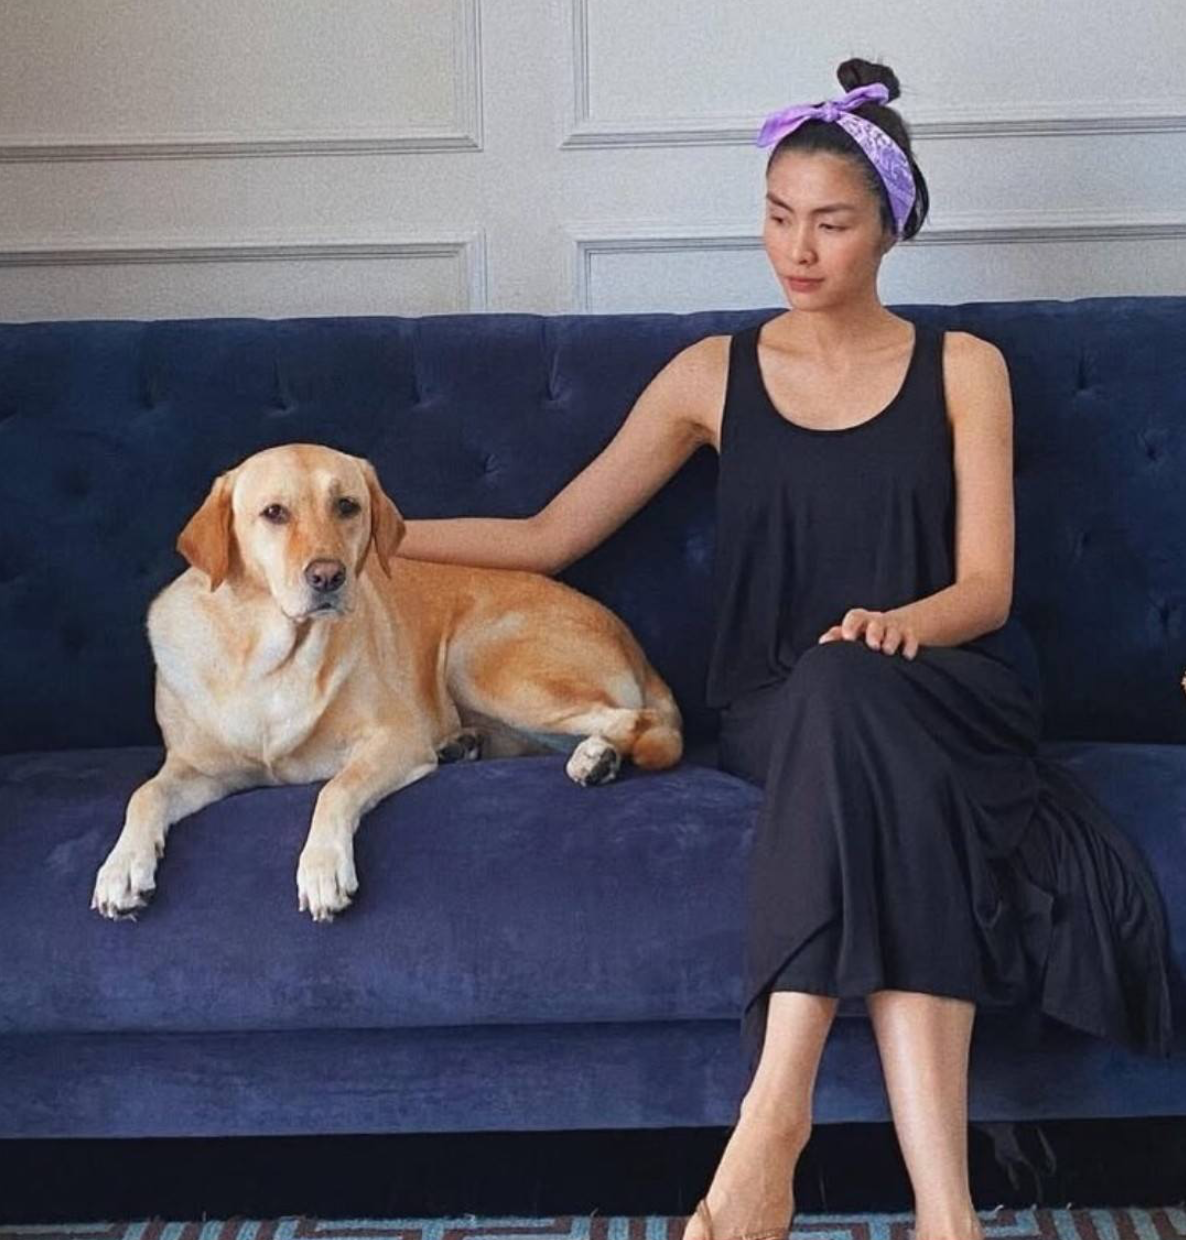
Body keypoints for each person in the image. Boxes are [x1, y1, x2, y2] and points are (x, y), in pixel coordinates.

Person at [396, 56, 1175, 1240]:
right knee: (850, 719)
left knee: (860, 694)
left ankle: (773, 1119)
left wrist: (901, 624)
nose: (796, 250)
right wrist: (370, 535)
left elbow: (986, 588)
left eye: (830, 223)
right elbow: (549, 534)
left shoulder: (965, 369)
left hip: (945, 686)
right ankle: (946, 1214)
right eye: (776, 217)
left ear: (890, 227)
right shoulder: (710, 376)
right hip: (778, 704)